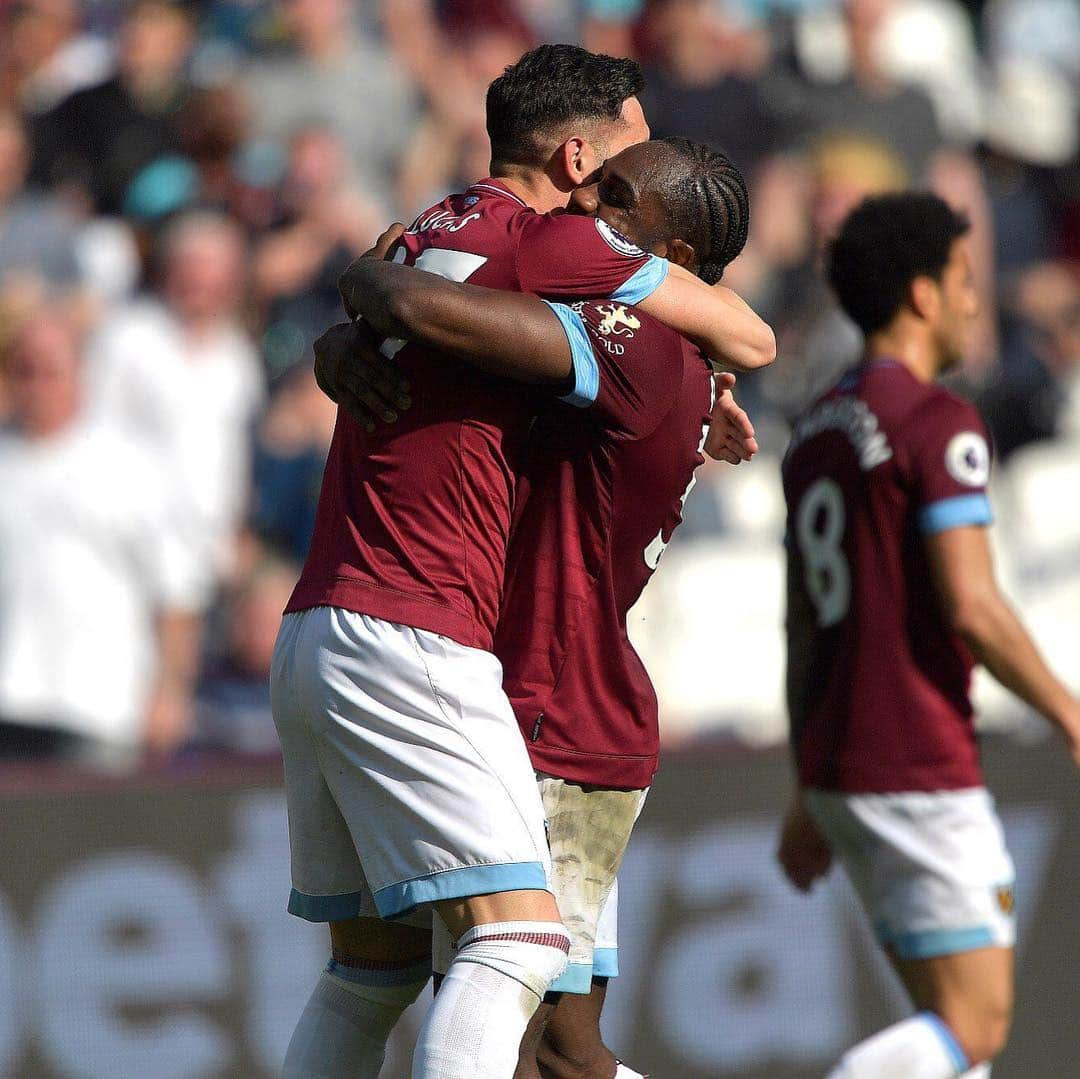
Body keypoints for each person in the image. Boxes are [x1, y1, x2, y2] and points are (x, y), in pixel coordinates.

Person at [272, 44, 772, 1079]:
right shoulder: (553, 260)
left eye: (623, 188)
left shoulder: (459, 240)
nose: (598, 196)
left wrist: (368, 286)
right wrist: (352, 325)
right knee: (515, 996)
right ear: (576, 152)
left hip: (485, 674)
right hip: (443, 646)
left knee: (508, 1015)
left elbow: (418, 303)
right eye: (612, 163)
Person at [777, 192, 1080, 1078]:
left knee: (945, 1041)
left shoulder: (815, 434)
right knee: (974, 1026)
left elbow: (801, 626)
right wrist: (1069, 711)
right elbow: (974, 607)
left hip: (842, 763)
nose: (975, 302)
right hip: (916, 755)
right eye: (962, 281)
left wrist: (807, 778)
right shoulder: (937, 422)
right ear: (921, 295)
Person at [0, 315, 207, 766]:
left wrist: (170, 691)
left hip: (98, 706)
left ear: (78, 373)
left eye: (50, 372)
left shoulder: (128, 465)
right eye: (25, 371)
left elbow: (177, 592)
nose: (37, 386)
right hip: (9, 700)